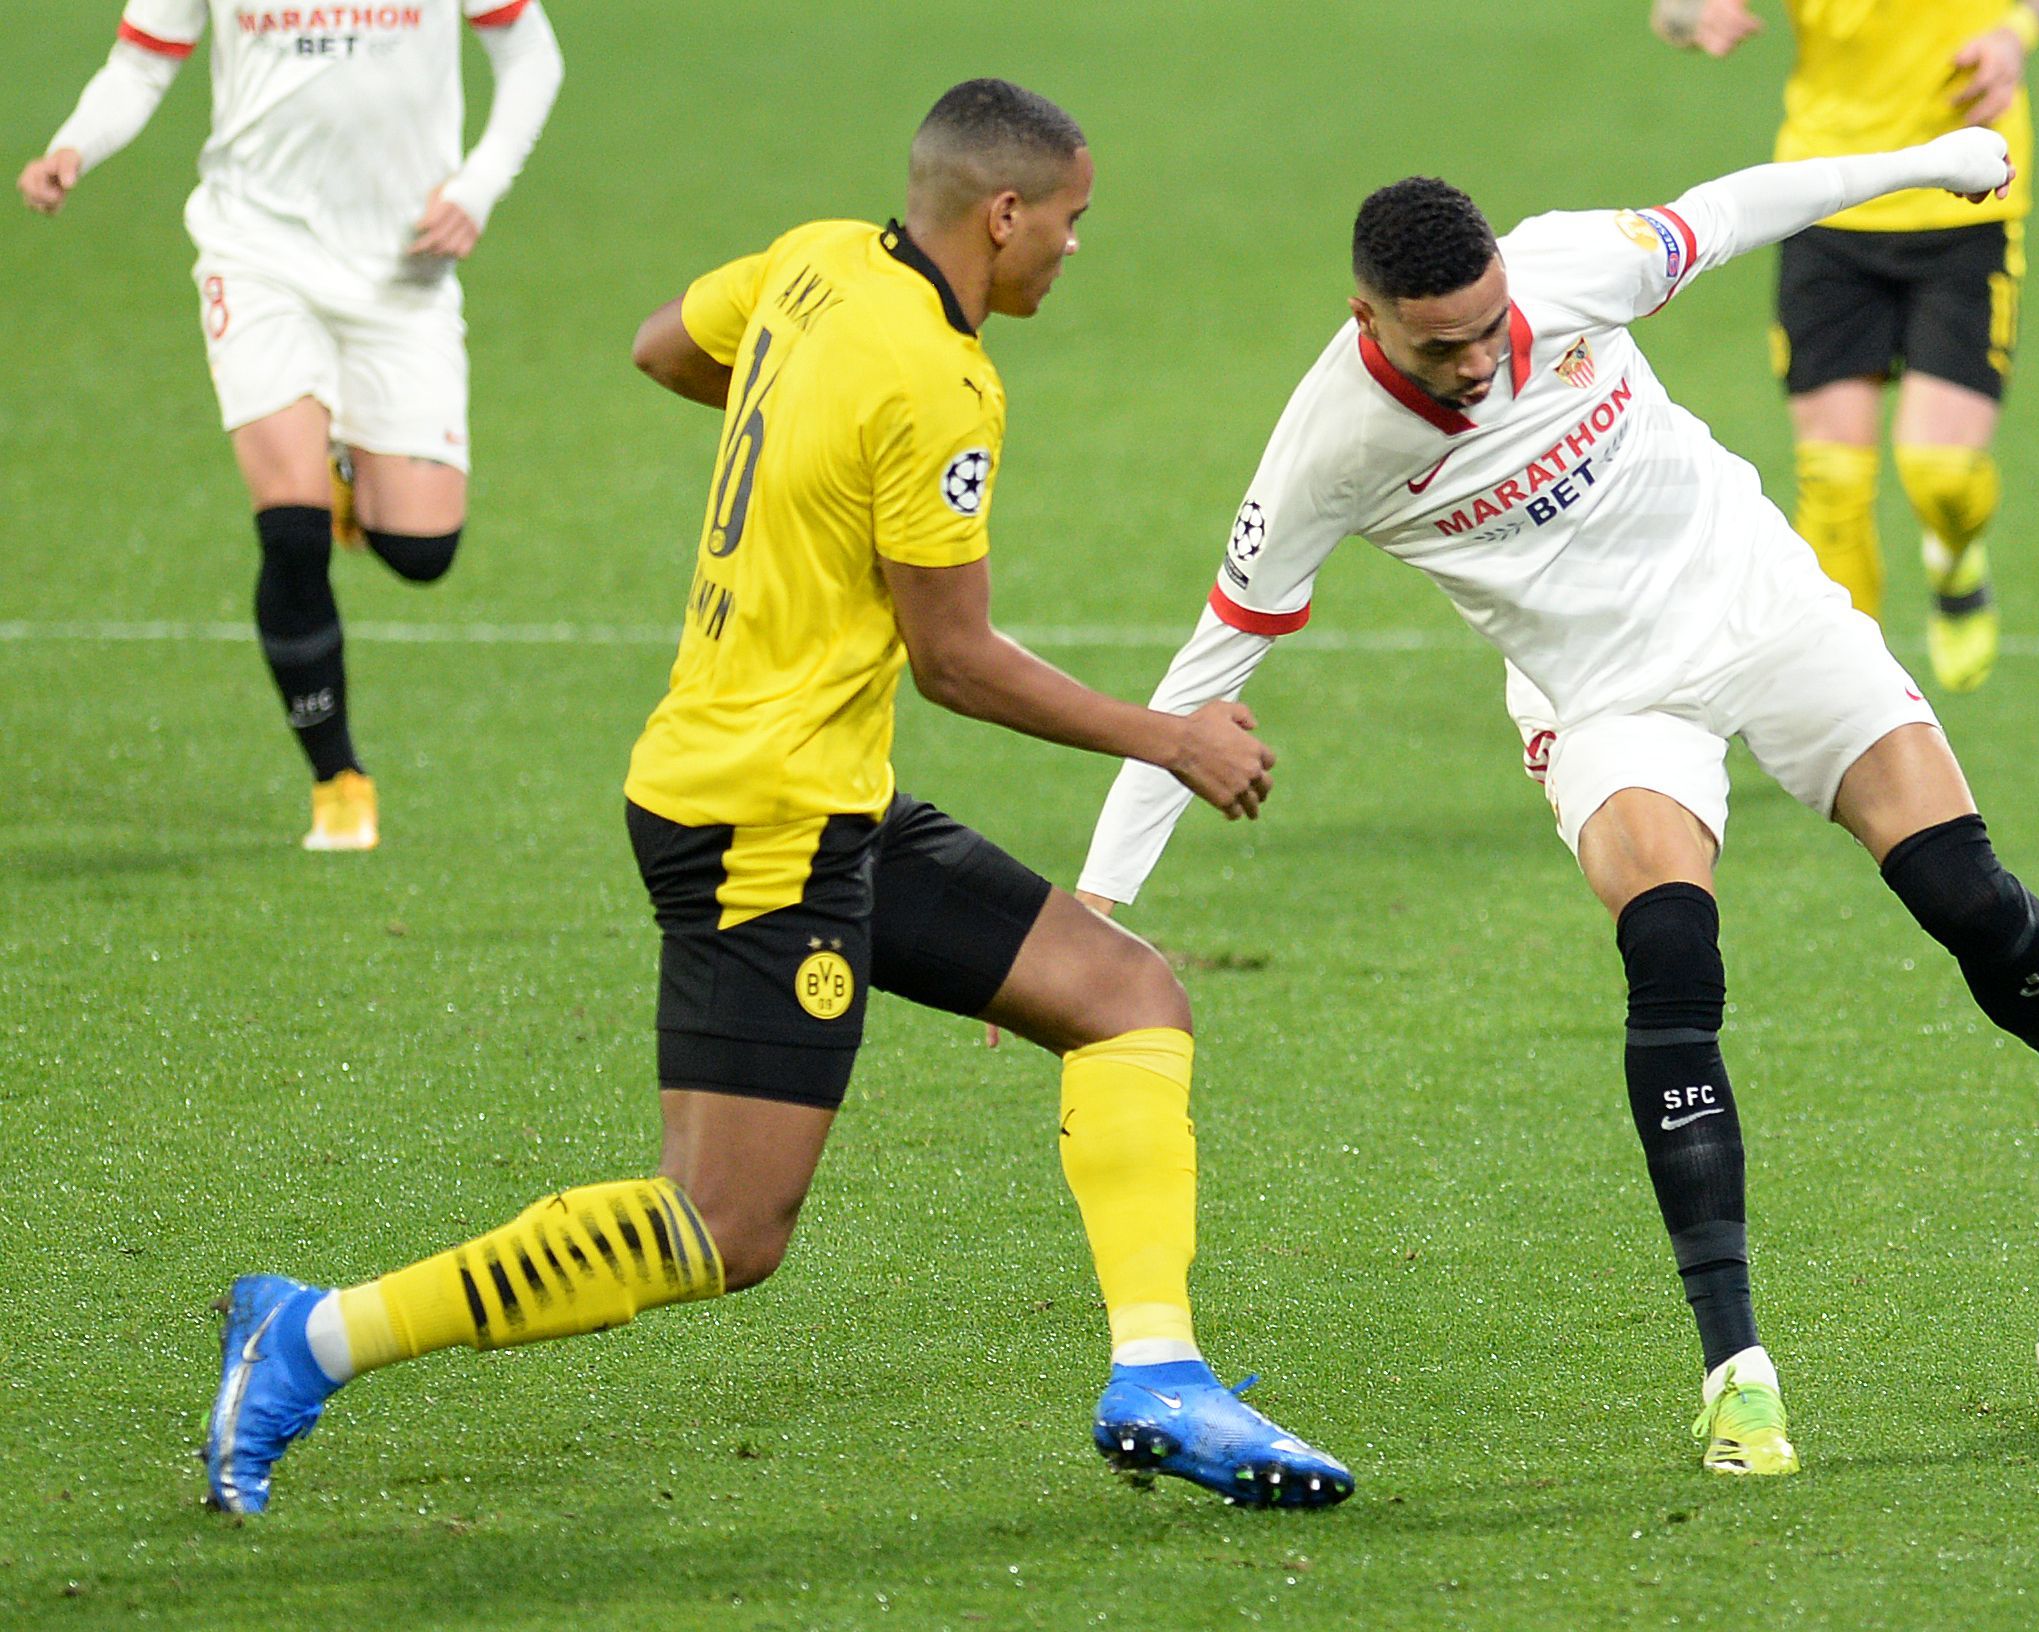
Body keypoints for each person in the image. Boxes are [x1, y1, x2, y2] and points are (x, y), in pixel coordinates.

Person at [201, 79, 1352, 1515]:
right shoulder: (943, 384)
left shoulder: (816, 257)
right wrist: (1166, 736)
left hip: (823, 793)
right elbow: (956, 658)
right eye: (1070, 222)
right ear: (1003, 216)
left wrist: (800, 442)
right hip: (763, 822)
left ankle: (1161, 1373)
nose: (1074, 247)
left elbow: (661, 348)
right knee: (726, 1226)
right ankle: (310, 1336)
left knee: (1125, 996)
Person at [1076, 128, 2039, 1476]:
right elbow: (1208, 666)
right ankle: (1738, 1375)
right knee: (1672, 954)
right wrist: (1103, 895)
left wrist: (1937, 159)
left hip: (1765, 610)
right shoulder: (1328, 447)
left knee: (1959, 891)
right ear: (1368, 319)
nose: (1479, 362)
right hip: (1606, 702)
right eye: (1442, 346)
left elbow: (1744, 205)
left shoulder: (1573, 269)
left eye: (1492, 327)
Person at [19, 0, 567, 849]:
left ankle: (346, 464)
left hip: (403, 266)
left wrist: (478, 186)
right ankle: (337, 778)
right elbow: (141, 63)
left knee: (423, 553)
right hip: (257, 252)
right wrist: (72, 146)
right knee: (293, 531)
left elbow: (532, 56)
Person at [1650, 0, 2039, 693]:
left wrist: (2016, 31)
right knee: (1834, 482)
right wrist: (1694, 15)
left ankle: (1955, 559)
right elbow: (1669, 13)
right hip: (1824, 201)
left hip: (1968, 194)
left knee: (1940, 472)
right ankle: (1857, 706)